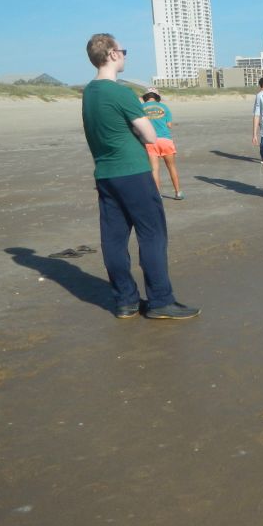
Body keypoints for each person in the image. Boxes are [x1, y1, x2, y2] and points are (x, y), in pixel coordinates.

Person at [80, 33, 199, 320]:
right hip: (132, 171)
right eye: (123, 50)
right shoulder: (119, 92)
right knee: (152, 234)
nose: (125, 55)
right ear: (112, 54)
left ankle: (126, 300)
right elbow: (149, 134)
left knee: (114, 239)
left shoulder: (89, 92)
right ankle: (160, 301)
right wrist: (136, 131)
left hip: (105, 173)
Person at [141, 89, 183, 200]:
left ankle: (157, 194)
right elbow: (169, 125)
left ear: (145, 96)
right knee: (171, 167)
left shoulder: (141, 107)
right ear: (157, 97)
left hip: (150, 141)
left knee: (154, 169)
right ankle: (178, 192)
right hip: (165, 140)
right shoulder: (164, 107)